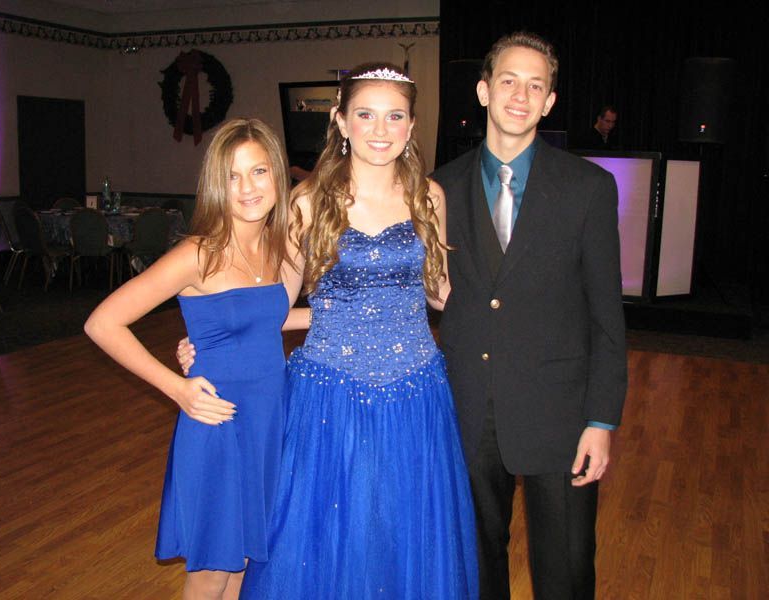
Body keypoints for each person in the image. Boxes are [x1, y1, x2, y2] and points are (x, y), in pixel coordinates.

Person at [179, 62, 478, 599]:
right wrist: (213, 338)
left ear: (411, 126)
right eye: (365, 114)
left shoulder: (429, 197)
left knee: (402, 530)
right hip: (328, 396)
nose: (380, 129)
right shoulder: (306, 201)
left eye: (395, 116)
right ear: (340, 121)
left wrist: (512, 307)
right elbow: (273, 304)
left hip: (415, 392)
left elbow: (438, 291)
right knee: (331, 534)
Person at [431, 32, 627, 599]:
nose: (521, 95)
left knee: (565, 570)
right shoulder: (438, 188)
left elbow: (606, 316)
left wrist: (603, 420)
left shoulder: (589, 188)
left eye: (535, 85)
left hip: (561, 415)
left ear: (549, 102)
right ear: (483, 91)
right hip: (468, 410)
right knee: (475, 567)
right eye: (509, 81)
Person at [84, 118, 309, 600]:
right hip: (217, 423)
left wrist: (336, 315)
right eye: (232, 176)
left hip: (270, 420)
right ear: (215, 185)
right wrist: (178, 388)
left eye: (259, 171)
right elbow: (102, 323)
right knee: (211, 569)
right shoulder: (197, 254)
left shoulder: (283, 248)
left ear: (277, 177)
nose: (248, 188)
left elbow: (267, 320)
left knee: (246, 559)